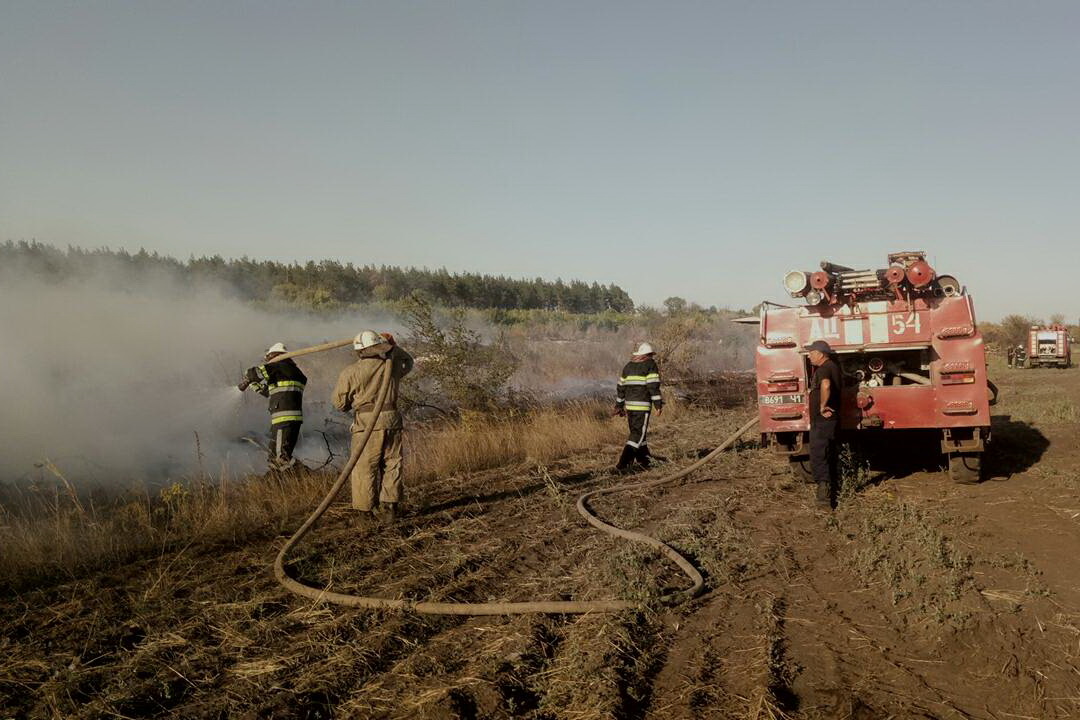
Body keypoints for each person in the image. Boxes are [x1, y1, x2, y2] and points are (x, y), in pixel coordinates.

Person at [332, 330, 414, 523]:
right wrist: (393, 346)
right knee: (392, 463)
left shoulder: (351, 372)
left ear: (359, 352)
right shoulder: (391, 367)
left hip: (366, 422)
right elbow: (409, 362)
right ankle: (390, 508)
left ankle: (364, 513)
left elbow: (339, 404)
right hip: (392, 419)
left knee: (364, 467)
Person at [238, 342, 307, 469]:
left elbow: (256, 373)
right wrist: (253, 384)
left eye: (269, 358)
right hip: (287, 420)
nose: (268, 361)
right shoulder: (293, 372)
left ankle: (306, 475)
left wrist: (248, 374)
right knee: (273, 455)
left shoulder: (280, 366)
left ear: (274, 356)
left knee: (281, 457)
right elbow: (269, 392)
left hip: (284, 420)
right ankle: (275, 479)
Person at [614, 342, 663, 470]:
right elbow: (653, 385)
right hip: (642, 407)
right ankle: (623, 465)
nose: (652, 357)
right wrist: (658, 404)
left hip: (630, 407)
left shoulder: (628, 366)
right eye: (651, 355)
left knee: (640, 434)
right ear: (647, 355)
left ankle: (644, 461)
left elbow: (620, 387)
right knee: (637, 435)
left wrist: (619, 405)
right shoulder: (650, 365)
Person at [807, 340, 840, 508]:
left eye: (811, 353)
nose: (809, 356)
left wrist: (822, 405)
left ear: (820, 354)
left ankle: (824, 497)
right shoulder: (833, 366)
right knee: (828, 453)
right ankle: (832, 491)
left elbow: (826, 385)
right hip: (828, 421)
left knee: (819, 454)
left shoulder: (824, 369)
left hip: (822, 421)